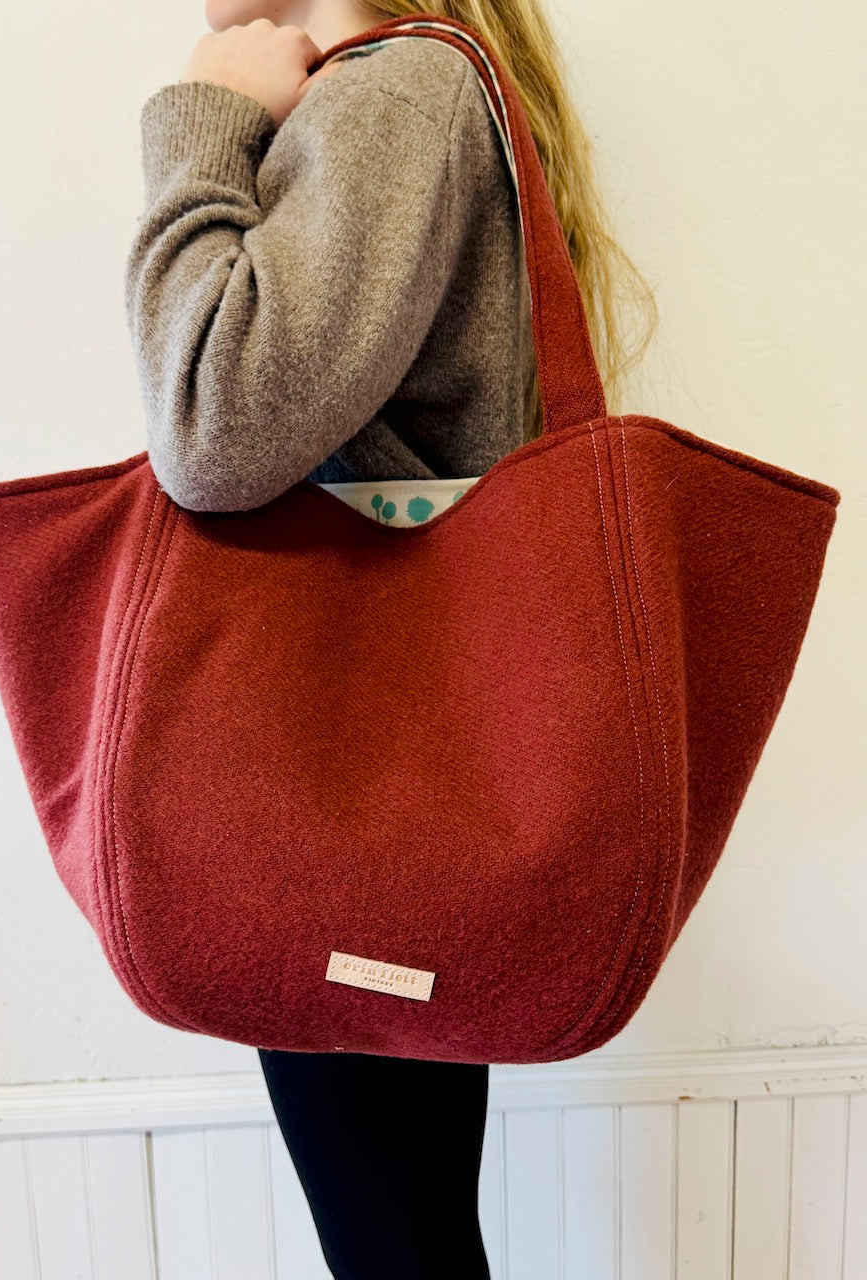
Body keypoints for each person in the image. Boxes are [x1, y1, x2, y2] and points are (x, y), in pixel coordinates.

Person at [124, 1, 657, 1275]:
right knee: (406, 1238)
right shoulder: (417, 89)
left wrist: (202, 128)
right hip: (409, 779)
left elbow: (214, 427)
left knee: (393, 1248)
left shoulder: (391, 97)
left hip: (341, 786)